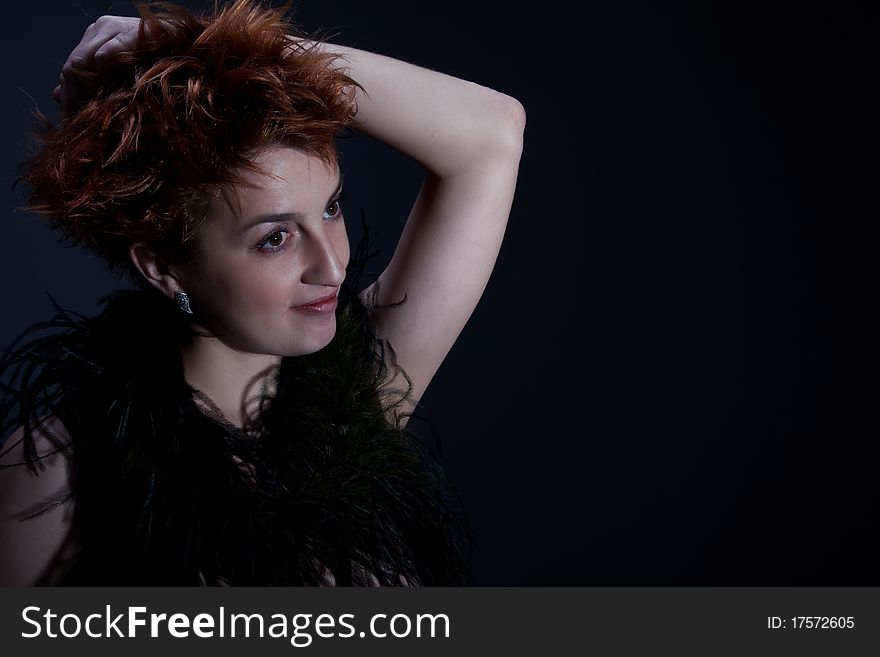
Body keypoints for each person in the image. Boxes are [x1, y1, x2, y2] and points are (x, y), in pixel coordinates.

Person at [0, 0, 524, 586]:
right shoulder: (61, 473)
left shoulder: (358, 399)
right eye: (275, 238)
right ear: (163, 267)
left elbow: (491, 131)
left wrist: (229, 48)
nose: (331, 267)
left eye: (330, 209)